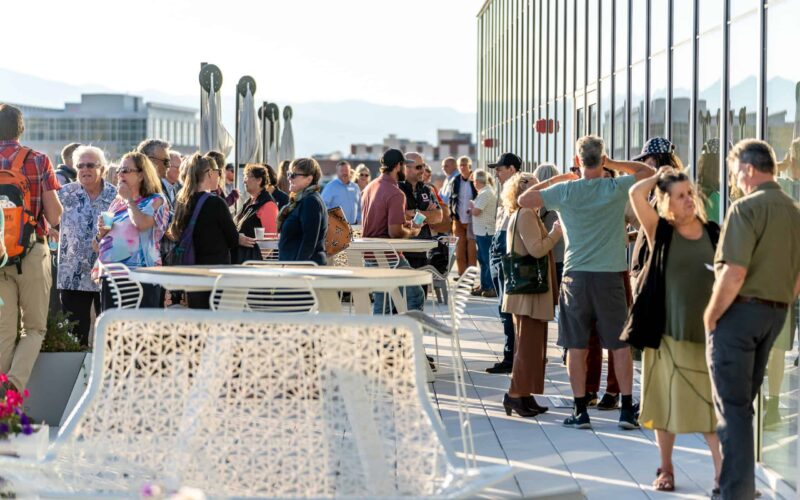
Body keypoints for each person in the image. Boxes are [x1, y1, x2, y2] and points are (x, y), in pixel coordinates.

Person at [518, 135, 655, 430]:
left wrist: (558, 177)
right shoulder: (616, 187)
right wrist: (614, 163)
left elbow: (523, 200)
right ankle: (627, 410)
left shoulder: (566, 190)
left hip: (575, 277)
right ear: (602, 159)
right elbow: (648, 173)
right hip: (610, 277)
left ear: (578, 160)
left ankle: (581, 410)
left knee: (576, 346)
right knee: (619, 346)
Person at [703, 139, 800, 499]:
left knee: (733, 409)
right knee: (743, 406)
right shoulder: (793, 210)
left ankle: (734, 492)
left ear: (748, 169)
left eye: (735, 172)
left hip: (740, 313)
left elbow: (734, 272)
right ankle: (740, 487)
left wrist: (711, 316)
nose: (735, 179)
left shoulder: (746, 208)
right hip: (774, 314)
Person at [629, 167, 722, 492]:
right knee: (665, 405)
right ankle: (666, 470)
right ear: (667, 202)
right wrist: (660, 176)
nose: (687, 201)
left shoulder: (713, 232)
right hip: (667, 335)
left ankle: (722, 475)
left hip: (708, 337)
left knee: (712, 408)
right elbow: (635, 195)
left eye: (689, 194)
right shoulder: (661, 232)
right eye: (680, 196)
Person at [0, 103, 63, 391]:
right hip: (32, 251)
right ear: (20, 129)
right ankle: (10, 391)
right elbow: (54, 215)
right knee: (34, 328)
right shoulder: (38, 160)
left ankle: (3, 402)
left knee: (3, 331)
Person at [501, 172, 561, 417]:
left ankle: (524, 394)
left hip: (528, 293)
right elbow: (537, 250)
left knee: (531, 346)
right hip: (529, 293)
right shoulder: (525, 214)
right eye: (534, 190)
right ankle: (515, 395)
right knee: (528, 347)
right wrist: (557, 232)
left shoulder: (523, 213)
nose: (539, 194)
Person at [168, 154, 246, 309]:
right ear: (210, 173)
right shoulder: (216, 202)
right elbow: (232, 239)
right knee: (215, 317)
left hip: (191, 270)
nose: (220, 175)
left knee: (197, 316)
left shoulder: (183, 200)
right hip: (215, 272)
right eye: (218, 171)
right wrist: (240, 237)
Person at [57, 145, 117, 347]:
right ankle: (77, 377)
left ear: (103, 168)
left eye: (90, 165)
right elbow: (46, 217)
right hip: (72, 273)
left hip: (106, 272)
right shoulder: (64, 194)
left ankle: (107, 374)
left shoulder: (116, 197)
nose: (84, 170)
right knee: (74, 335)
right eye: (80, 165)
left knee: (110, 334)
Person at [93, 152, 167, 310]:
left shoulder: (155, 200)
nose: (120, 174)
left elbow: (141, 224)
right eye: (119, 170)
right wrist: (101, 233)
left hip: (141, 275)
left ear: (141, 175)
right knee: (113, 329)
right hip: (112, 275)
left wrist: (128, 200)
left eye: (126, 170)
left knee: (139, 329)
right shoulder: (116, 203)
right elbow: (97, 244)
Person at [360, 148, 425, 313]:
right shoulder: (396, 193)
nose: (406, 170)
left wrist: (405, 224)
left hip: (369, 254)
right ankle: (403, 335)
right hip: (387, 256)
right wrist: (413, 232)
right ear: (398, 166)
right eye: (405, 166)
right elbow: (395, 232)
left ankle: (394, 336)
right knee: (403, 299)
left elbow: (380, 222)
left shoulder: (370, 187)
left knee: (388, 302)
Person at [486, 153, 522, 374]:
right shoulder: (506, 192)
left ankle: (512, 356)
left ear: (512, 169)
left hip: (506, 252)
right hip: (498, 248)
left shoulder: (520, 191)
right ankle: (511, 355)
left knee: (507, 308)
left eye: (499, 169)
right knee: (503, 308)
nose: (496, 173)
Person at [277, 158, 328, 265]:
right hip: (296, 266)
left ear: (309, 179)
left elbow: (309, 241)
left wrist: (298, 267)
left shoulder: (311, 201)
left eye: (293, 175)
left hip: (304, 269)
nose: (289, 178)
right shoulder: (301, 200)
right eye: (288, 173)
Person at [399, 152, 443, 273]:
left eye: (423, 166)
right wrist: (426, 214)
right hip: (402, 251)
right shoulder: (396, 188)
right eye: (418, 167)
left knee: (422, 291)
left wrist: (416, 212)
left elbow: (438, 216)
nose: (423, 170)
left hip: (423, 250)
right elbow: (397, 216)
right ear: (406, 168)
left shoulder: (427, 189)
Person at [232, 163, 278, 263]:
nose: (244, 181)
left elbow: (270, 241)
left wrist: (256, 263)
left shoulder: (268, 205)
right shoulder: (250, 201)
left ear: (259, 180)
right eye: (244, 176)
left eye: (247, 176)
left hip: (250, 263)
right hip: (242, 260)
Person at [470, 169, 497, 297]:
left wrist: (471, 207)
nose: (473, 183)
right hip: (482, 231)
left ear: (478, 181)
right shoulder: (485, 192)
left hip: (485, 231)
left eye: (474, 180)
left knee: (486, 260)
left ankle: (490, 286)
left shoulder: (486, 192)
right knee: (482, 259)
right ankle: (484, 285)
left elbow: (477, 211)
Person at [450, 156, 478, 276]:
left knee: (472, 250)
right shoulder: (455, 180)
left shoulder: (476, 179)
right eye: (460, 165)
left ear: (470, 166)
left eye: (465, 165)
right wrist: (452, 214)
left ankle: (470, 277)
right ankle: (462, 275)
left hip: (472, 220)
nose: (462, 167)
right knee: (459, 250)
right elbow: (452, 199)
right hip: (458, 219)